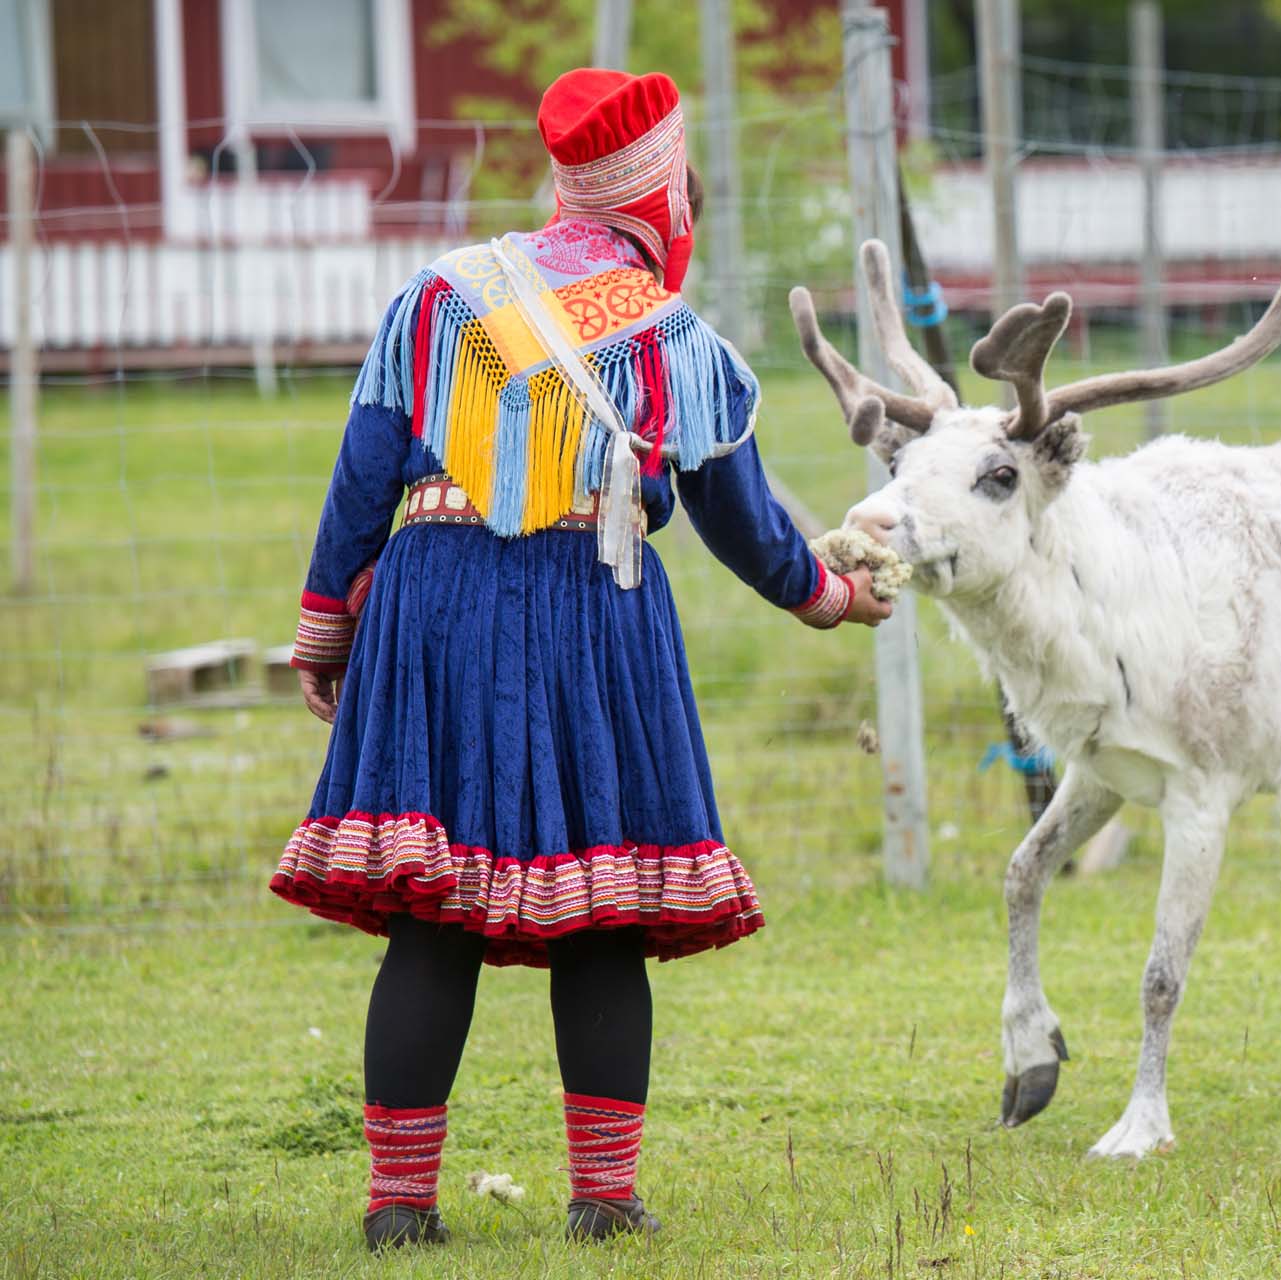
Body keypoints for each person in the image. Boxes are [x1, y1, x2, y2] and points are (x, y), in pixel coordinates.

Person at [270, 68, 890, 1251]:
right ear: (662, 208)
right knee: (605, 904)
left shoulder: (443, 298)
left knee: (432, 908)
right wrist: (828, 596)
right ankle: (604, 1198)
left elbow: (363, 474)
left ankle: (400, 1209)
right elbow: (739, 517)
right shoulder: (670, 336)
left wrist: (327, 625)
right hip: (590, 608)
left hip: (432, 598)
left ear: (565, 188)